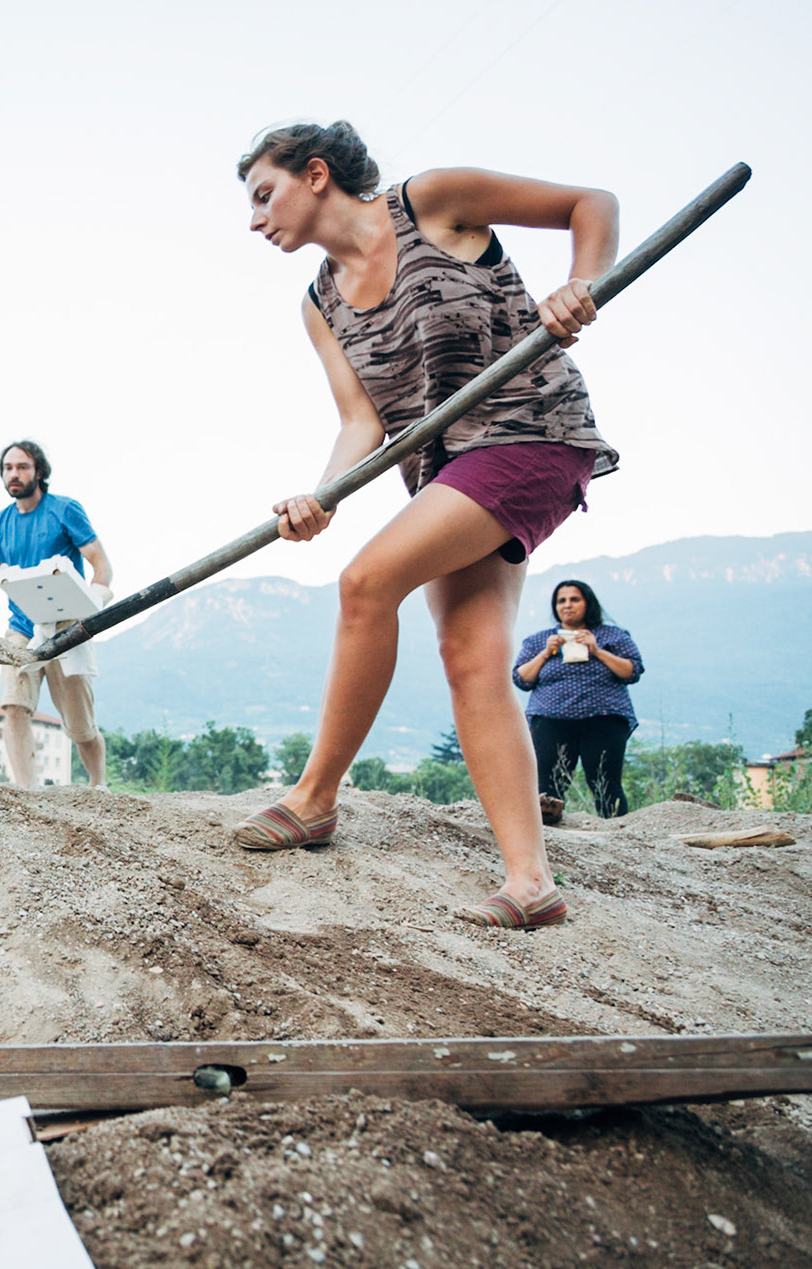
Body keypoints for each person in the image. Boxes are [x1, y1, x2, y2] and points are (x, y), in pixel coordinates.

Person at [229, 121, 623, 932]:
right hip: (446, 475)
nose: (255, 219)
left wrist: (581, 282)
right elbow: (360, 423)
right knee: (471, 657)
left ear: (314, 174)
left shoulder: (432, 203)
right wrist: (322, 494)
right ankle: (530, 883)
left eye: (264, 195)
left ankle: (313, 798)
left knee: (367, 583)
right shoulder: (320, 302)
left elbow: (594, 202)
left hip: (530, 432)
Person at [0, 441, 113, 788]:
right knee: (13, 706)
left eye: (22, 467)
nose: (14, 474)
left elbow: (100, 564)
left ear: (39, 471)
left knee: (79, 724)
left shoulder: (64, 510)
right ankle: (28, 791)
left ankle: (99, 785)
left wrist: (97, 599)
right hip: (21, 626)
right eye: (8, 468)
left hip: (66, 626)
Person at [513, 579, 643, 821]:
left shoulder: (612, 636)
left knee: (606, 784)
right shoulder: (540, 640)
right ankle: (546, 835)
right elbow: (521, 678)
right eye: (561, 601)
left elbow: (632, 671)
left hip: (604, 718)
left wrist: (597, 650)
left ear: (587, 603)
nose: (567, 606)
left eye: (574, 599)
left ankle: (617, 833)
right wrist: (546, 652)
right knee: (547, 785)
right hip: (551, 720)